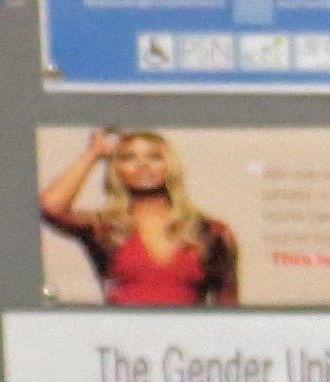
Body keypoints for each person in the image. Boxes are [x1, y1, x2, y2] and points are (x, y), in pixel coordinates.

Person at [42, 124, 241, 305]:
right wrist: (94, 153)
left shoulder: (212, 231)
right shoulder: (104, 227)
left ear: (170, 166)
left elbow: (228, 306)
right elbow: (51, 206)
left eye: (154, 157)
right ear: (116, 169)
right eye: (129, 158)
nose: (143, 165)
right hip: (123, 339)